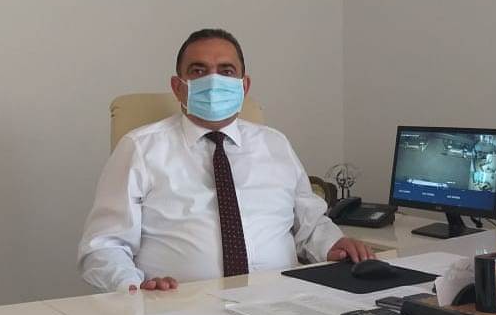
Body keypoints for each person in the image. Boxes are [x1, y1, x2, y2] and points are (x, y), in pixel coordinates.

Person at [78, 28, 374, 293]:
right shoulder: (140, 149)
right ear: (178, 87)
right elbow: (104, 246)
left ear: (244, 86)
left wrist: (333, 243)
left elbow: (310, 223)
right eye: (198, 70)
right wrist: (133, 286)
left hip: (278, 300)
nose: (213, 80)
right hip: (178, 306)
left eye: (226, 71)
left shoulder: (275, 144)